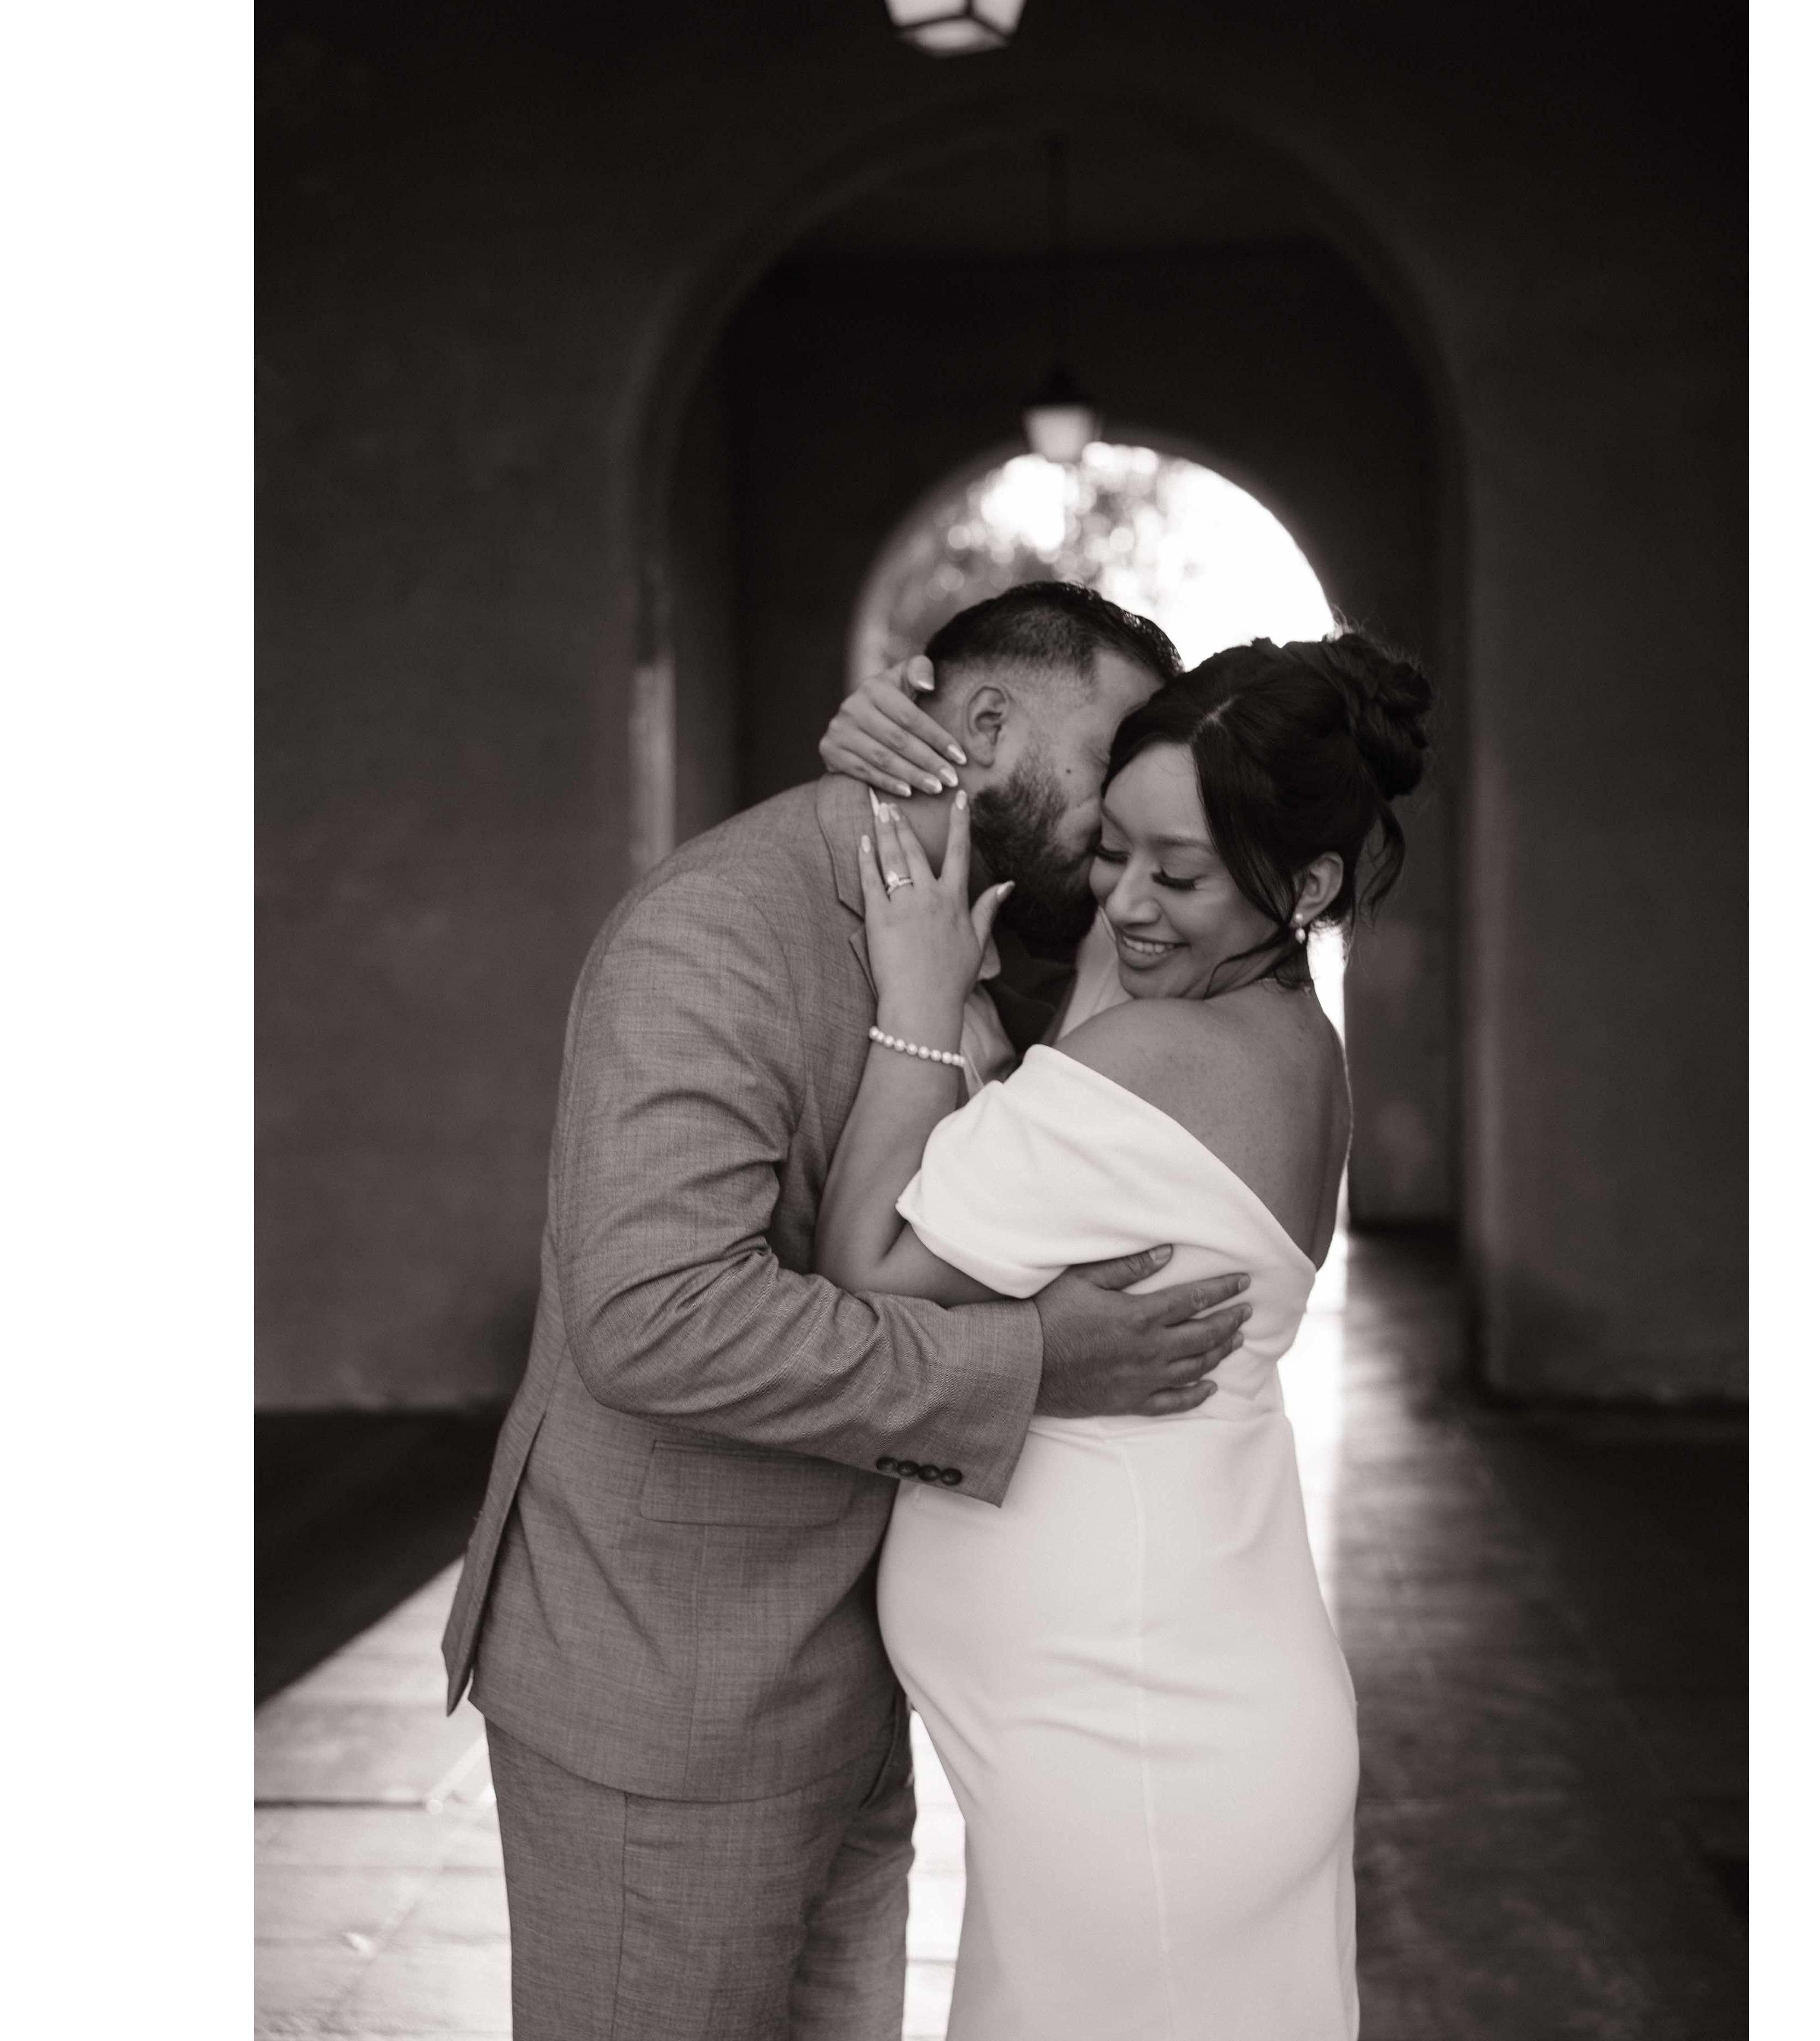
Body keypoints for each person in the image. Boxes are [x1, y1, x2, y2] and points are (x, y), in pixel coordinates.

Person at [440, 582, 1257, 2041]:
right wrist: (1031, 1364)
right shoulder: (719, 932)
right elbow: (654, 1318)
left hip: (848, 1689)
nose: (1131, 805)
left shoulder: (1026, 930)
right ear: (986, 724)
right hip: (668, 1699)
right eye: (1112, 754)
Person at [813, 627, 1433, 2039]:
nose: (1128, 902)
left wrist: (918, 1004)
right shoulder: (1277, 1031)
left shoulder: (1164, 1058)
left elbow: (864, 1274)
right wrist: (899, 738)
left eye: (1180, 874)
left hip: (1139, 1757)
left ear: (1308, 886)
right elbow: (1100, 841)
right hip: (1163, 1736)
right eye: (1112, 850)